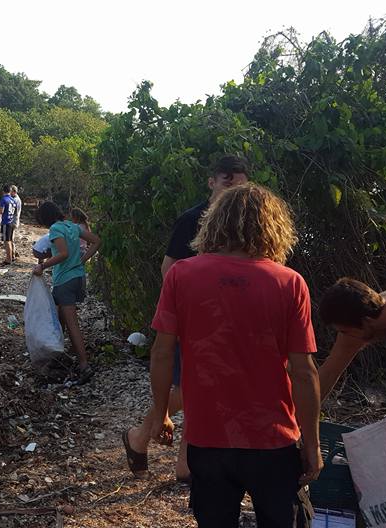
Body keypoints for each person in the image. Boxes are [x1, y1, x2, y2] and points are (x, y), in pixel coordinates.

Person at [123, 183, 322, 528]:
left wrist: (161, 415)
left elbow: (161, 354)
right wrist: (313, 444)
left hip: (207, 439)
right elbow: (304, 373)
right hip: (272, 440)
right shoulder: (290, 283)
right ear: (273, 227)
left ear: (214, 223)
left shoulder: (181, 275)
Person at [142, 155, 251, 482]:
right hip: (192, 319)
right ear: (212, 182)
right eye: (226, 181)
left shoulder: (246, 224)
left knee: (203, 387)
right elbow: (169, 269)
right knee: (193, 387)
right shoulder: (193, 219)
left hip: (227, 321)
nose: (232, 189)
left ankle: (169, 454)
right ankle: (164, 448)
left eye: (239, 184)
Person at [317, 279, 386, 409]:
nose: (344, 335)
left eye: (344, 330)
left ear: (366, 322)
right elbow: (328, 374)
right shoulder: (353, 330)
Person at [32, 201, 102, 381]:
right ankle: (58, 355)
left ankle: (84, 365)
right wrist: (82, 260)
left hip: (65, 280)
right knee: (59, 317)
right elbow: (96, 241)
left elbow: (62, 254)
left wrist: (42, 266)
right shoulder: (71, 226)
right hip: (78, 278)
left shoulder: (55, 229)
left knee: (72, 325)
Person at [0, 186, 18, 264]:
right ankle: (11, 257)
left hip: (6, 222)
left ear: (3, 191)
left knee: (7, 241)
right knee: (9, 240)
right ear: (10, 191)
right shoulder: (13, 200)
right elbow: (15, 211)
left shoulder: (4, 199)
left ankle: (8, 259)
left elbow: (1, 211)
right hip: (11, 222)